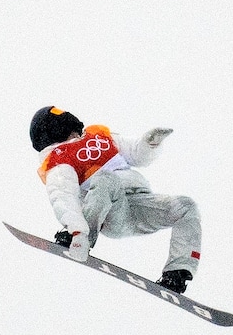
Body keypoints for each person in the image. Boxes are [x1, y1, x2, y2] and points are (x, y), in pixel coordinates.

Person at [29, 106, 201, 293]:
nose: (73, 134)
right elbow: (62, 195)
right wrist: (76, 230)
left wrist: (149, 143)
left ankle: (176, 274)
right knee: (105, 179)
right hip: (111, 212)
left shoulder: (98, 135)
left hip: (141, 202)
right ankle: (82, 240)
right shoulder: (59, 157)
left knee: (186, 206)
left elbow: (136, 154)